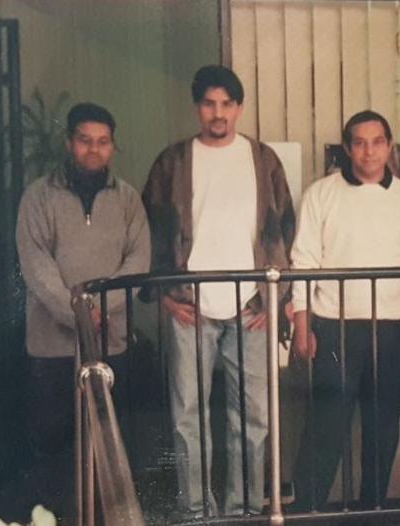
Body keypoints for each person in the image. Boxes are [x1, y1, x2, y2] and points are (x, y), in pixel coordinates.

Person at [142, 65, 295, 517]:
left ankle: (243, 509)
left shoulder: (263, 159)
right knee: (187, 416)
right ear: (197, 108)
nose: (218, 113)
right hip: (190, 306)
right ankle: (196, 512)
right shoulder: (172, 161)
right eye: (209, 103)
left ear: (239, 108)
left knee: (254, 417)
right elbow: (151, 232)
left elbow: (284, 228)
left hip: (251, 308)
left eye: (227, 103)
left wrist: (275, 296)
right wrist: (163, 295)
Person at [289, 110, 400, 510]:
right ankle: (308, 511)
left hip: (392, 328)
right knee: (325, 426)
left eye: (377, 142)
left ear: (389, 146)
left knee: (383, 427)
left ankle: (373, 509)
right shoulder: (320, 194)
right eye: (359, 143)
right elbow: (304, 260)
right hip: (335, 326)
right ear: (347, 148)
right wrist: (302, 322)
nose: (369, 151)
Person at [16, 102, 150, 519]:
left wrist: (98, 307)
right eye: (85, 140)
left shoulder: (127, 199)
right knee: (56, 447)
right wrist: (77, 311)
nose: (94, 150)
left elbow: (138, 262)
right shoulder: (38, 196)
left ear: (113, 146)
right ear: (68, 142)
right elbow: (35, 264)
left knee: (109, 447)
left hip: (110, 344)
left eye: (103, 142)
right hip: (52, 348)